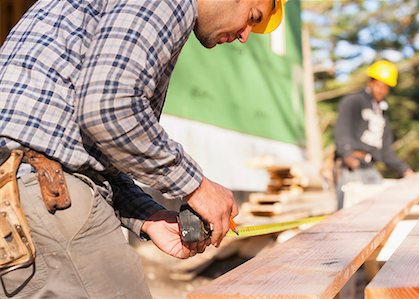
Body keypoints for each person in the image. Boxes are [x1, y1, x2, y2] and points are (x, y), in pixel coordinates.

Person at [0, 0, 286, 297]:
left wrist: (148, 216)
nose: (245, 35)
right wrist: (197, 187)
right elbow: (109, 109)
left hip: (17, 197)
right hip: (48, 199)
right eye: (253, 17)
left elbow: (85, 144)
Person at [333, 60, 414, 210]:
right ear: (371, 82)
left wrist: (404, 169)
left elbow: (386, 151)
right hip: (352, 166)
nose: (382, 90)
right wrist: (347, 154)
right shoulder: (353, 101)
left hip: (370, 166)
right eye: (379, 85)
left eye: (386, 87)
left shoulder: (382, 113)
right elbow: (342, 131)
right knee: (349, 212)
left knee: (379, 208)